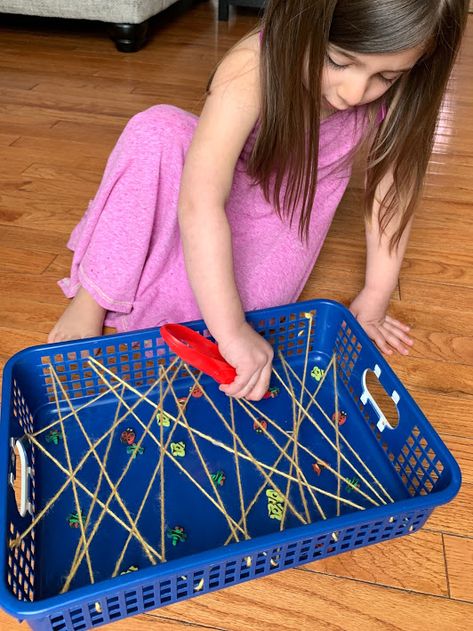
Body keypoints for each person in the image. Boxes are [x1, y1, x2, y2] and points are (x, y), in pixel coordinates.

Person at [48, 0, 469, 401]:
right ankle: (95, 296)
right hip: (212, 184)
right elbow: (201, 202)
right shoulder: (251, 65)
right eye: (339, 61)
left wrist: (376, 294)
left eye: (387, 77)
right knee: (156, 129)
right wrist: (230, 332)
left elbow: (392, 192)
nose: (357, 92)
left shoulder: (402, 88)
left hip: (283, 213)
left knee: (238, 316)